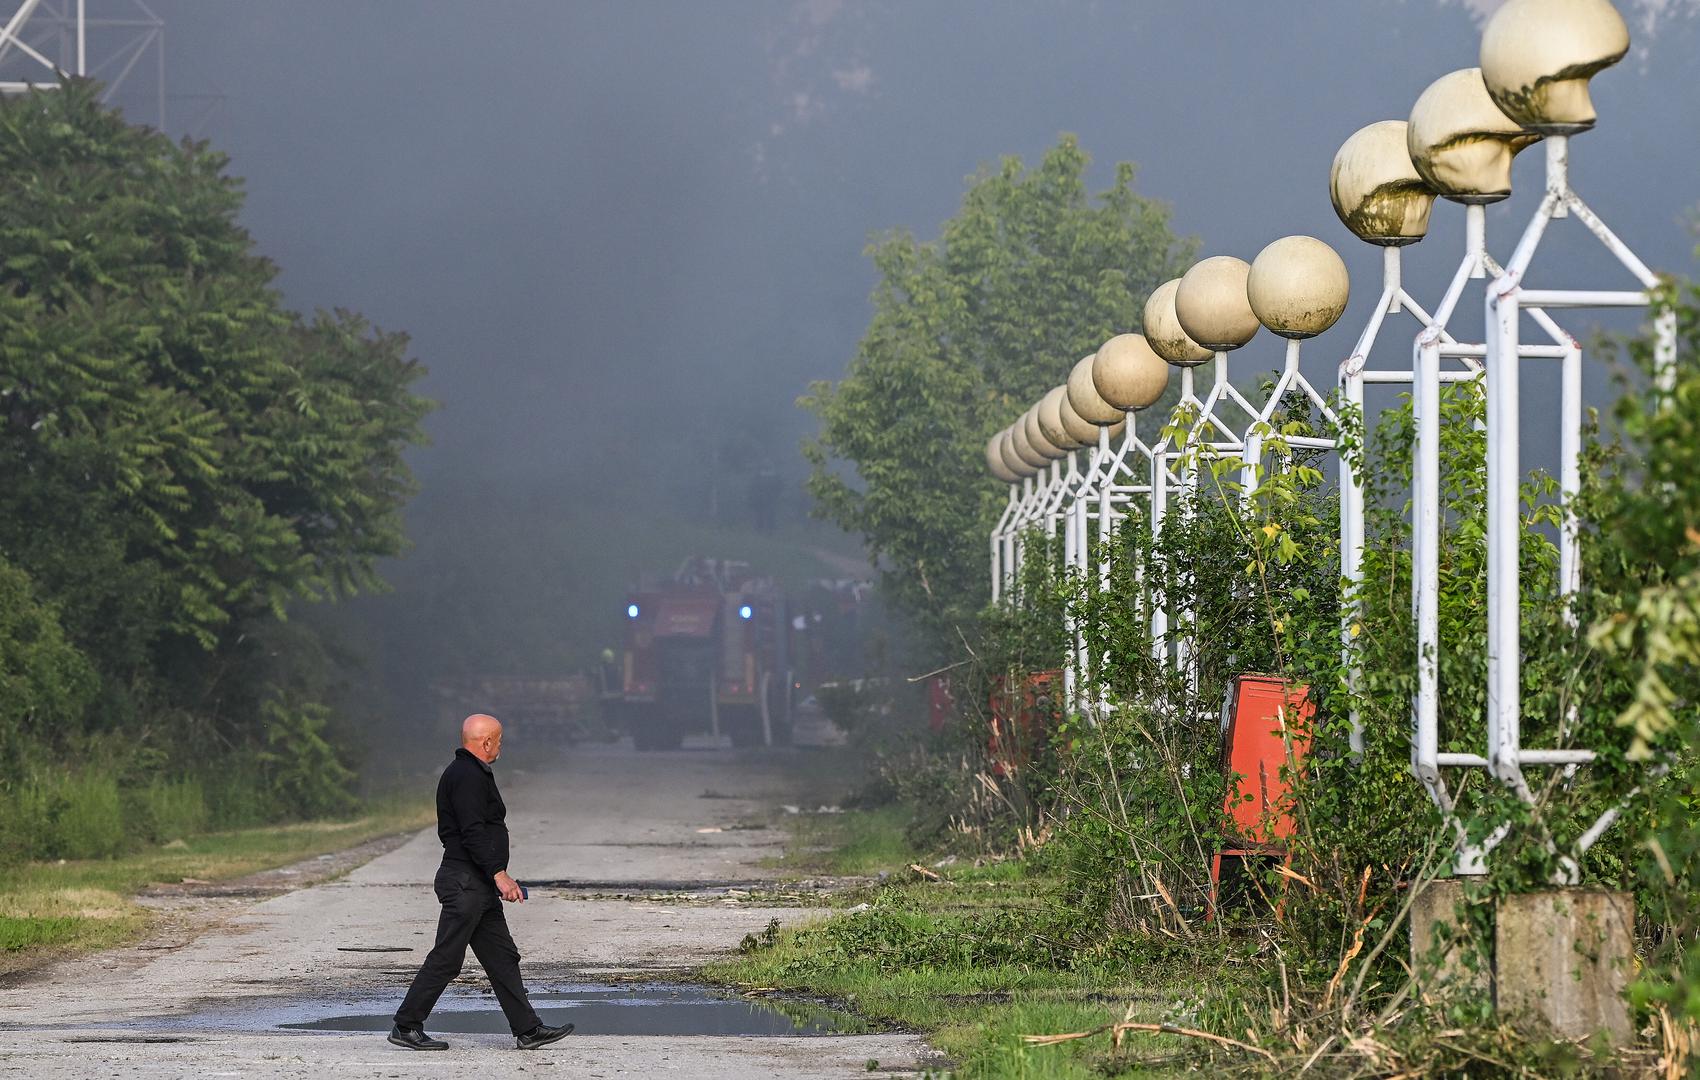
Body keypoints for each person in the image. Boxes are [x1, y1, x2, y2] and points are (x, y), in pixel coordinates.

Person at [389, 713, 573, 1051]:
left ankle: (528, 1029)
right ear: (485, 742)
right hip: (465, 883)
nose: (501, 745)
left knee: (503, 957)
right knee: (447, 958)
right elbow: (472, 831)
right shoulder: (466, 775)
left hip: (477, 885)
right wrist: (498, 874)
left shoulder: (471, 773)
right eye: (499, 740)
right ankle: (406, 1025)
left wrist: (492, 877)